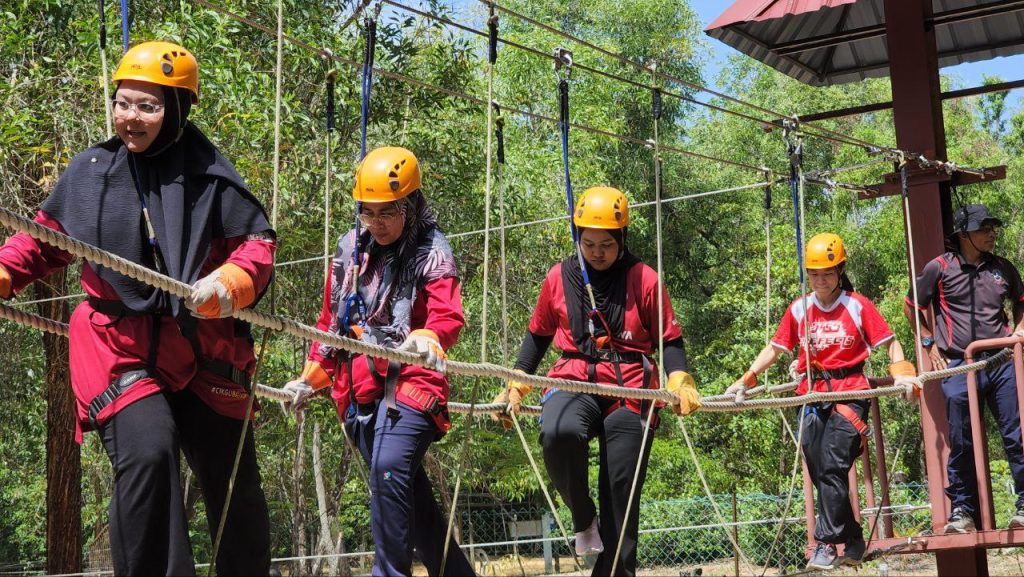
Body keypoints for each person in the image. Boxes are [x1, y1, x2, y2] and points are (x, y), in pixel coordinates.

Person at [0, 41, 274, 574]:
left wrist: (231, 282)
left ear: (178, 110)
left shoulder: (211, 178)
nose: (130, 117)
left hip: (200, 349)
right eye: (122, 103)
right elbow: (43, 239)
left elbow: (256, 247)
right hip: (117, 347)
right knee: (149, 453)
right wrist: (5, 271)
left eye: (148, 106)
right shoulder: (92, 173)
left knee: (234, 482)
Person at [281, 146, 475, 577]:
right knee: (410, 500)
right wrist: (309, 378)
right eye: (367, 212)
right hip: (359, 393)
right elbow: (331, 323)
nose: (376, 223)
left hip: (414, 385)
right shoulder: (349, 249)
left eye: (387, 212)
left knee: (388, 469)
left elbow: (447, 315)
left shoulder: (432, 250)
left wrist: (427, 335)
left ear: (410, 205)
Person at [490, 186, 700, 577]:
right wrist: (517, 382)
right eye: (588, 243)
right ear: (577, 239)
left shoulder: (644, 279)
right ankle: (584, 518)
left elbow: (669, 339)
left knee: (621, 487)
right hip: (574, 378)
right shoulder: (560, 276)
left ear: (622, 239)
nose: (597, 252)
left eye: (606, 244)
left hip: (630, 387)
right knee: (558, 432)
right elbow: (538, 335)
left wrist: (679, 378)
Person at [726, 232, 916, 571]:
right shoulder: (799, 308)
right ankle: (853, 537)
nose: (820, 280)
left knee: (831, 465)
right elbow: (775, 349)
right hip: (812, 394)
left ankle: (825, 543)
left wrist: (901, 372)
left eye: (827, 273)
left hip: (850, 393)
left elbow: (890, 343)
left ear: (840, 271)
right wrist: (747, 378)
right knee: (820, 470)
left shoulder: (857, 305)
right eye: (813, 274)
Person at [904, 204, 1024, 534]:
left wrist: (1019, 331)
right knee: (960, 439)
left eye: (992, 227)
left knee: (1016, 433)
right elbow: (912, 305)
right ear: (963, 234)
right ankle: (962, 510)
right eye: (983, 228)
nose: (991, 233)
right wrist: (928, 342)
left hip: (1001, 361)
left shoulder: (1002, 268)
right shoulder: (940, 268)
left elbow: (1021, 301)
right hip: (958, 365)